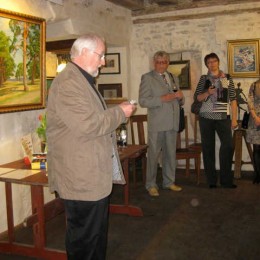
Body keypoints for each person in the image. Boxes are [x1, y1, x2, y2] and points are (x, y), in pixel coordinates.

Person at [46, 34, 136, 260]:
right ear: (84, 53)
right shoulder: (68, 83)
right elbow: (88, 125)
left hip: (89, 175)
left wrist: (117, 112)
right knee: (85, 241)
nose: (104, 61)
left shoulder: (80, 79)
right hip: (80, 178)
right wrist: (120, 113)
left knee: (94, 237)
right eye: (101, 55)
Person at [139, 50, 184, 197]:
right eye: (158, 62)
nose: (161, 65)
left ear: (168, 63)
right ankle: (150, 184)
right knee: (153, 155)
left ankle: (169, 182)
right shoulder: (147, 78)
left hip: (172, 122)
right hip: (157, 123)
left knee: (170, 154)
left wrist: (180, 98)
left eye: (164, 62)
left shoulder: (173, 77)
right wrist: (163, 98)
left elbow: (178, 99)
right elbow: (143, 101)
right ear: (154, 63)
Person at [193, 52, 238, 189]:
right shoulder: (204, 79)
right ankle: (211, 181)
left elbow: (233, 99)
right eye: (209, 62)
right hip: (206, 117)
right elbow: (197, 98)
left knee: (228, 146)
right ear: (206, 64)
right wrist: (208, 93)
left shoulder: (227, 78)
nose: (212, 64)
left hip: (223, 117)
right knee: (208, 148)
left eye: (214, 61)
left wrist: (234, 119)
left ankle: (226, 181)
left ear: (218, 62)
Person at [246, 79, 260, 184]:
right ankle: (258, 175)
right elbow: (249, 102)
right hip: (256, 120)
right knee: (257, 148)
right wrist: (256, 117)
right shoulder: (254, 85)